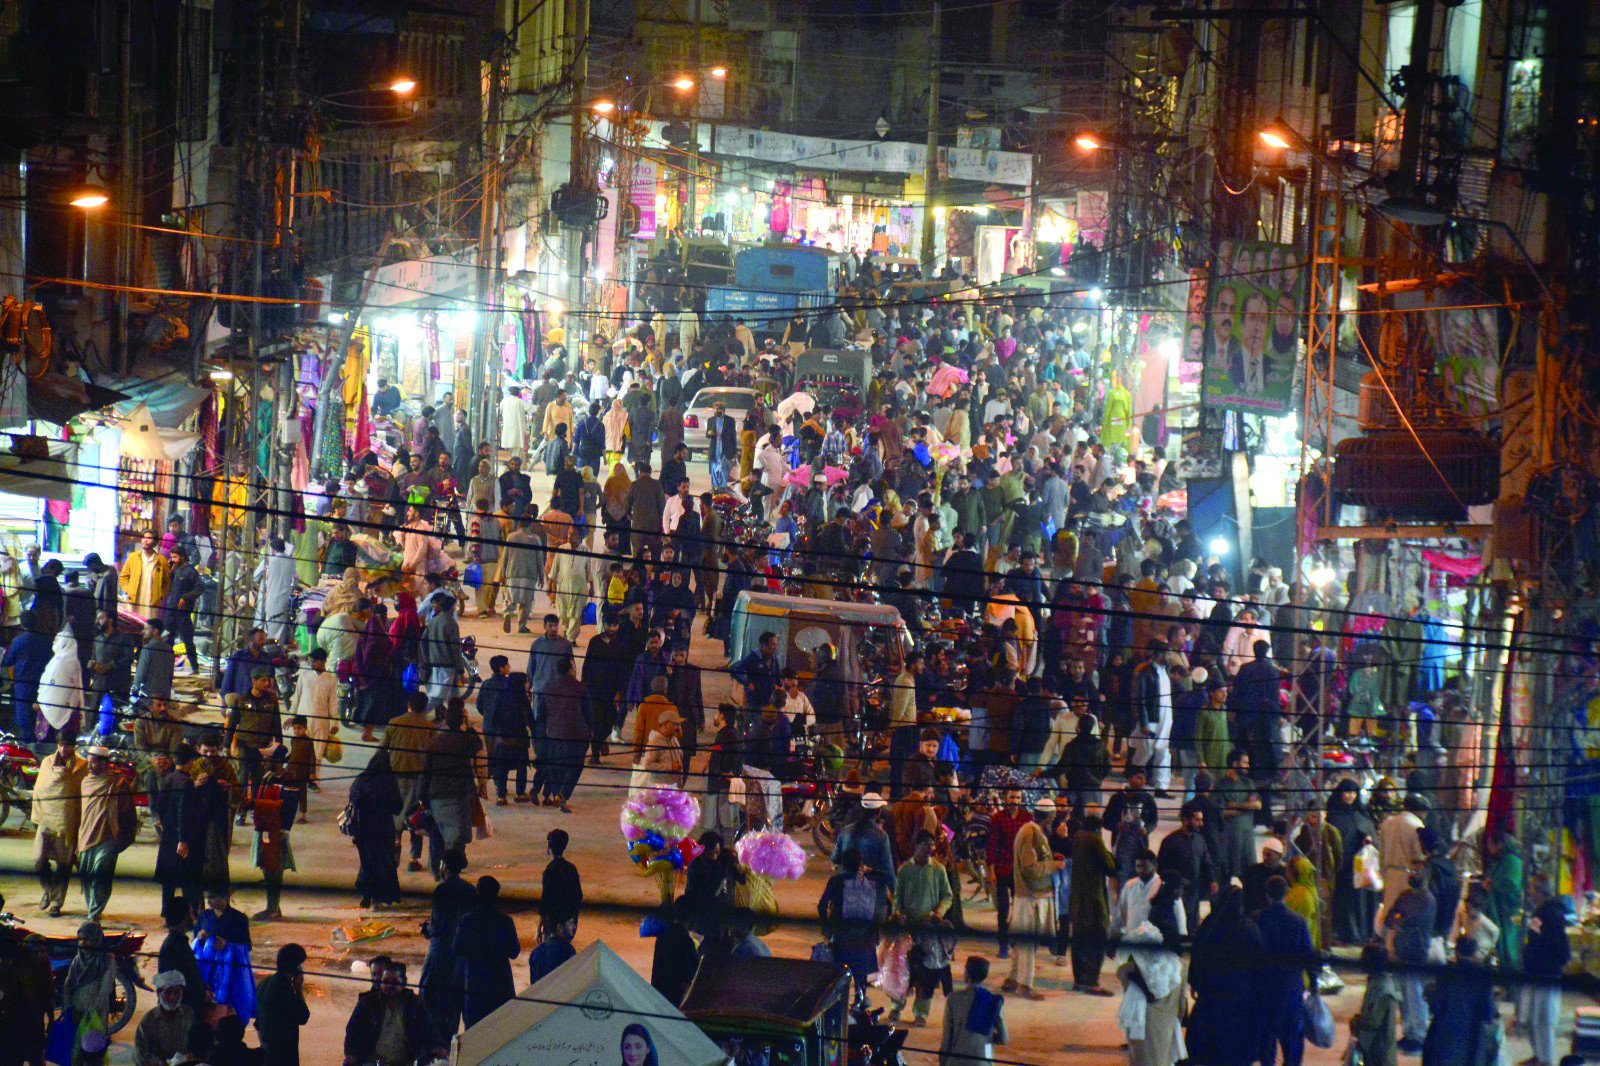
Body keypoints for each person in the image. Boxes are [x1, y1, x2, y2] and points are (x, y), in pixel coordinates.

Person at [1186, 885, 1263, 1065]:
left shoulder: (1211, 924)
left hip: (1212, 990)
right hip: (1239, 994)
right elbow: (1259, 961)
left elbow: (1198, 953)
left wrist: (1194, 982)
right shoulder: (1248, 928)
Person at [893, 828, 955, 1024]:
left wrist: (939, 913)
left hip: (929, 929)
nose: (930, 850)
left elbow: (947, 896)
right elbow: (897, 898)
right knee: (903, 971)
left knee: (927, 974)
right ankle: (896, 1008)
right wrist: (898, 914)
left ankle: (921, 1013)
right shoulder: (904, 870)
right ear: (916, 846)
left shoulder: (938, 870)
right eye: (926, 846)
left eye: (932, 846)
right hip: (908, 929)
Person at [1005, 796, 1063, 1002]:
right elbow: (1030, 868)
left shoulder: (1033, 831)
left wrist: (1050, 859)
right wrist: (1054, 866)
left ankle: (1013, 979)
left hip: (1032, 896)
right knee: (1028, 943)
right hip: (1030, 897)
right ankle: (1025, 985)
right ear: (1048, 817)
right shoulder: (1030, 832)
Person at [1255, 875, 1317, 1066]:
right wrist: (1313, 982)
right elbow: (1308, 954)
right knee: (1292, 1039)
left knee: (1267, 1039)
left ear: (1267, 895)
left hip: (1265, 989)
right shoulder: (1298, 922)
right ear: (1286, 894)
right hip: (1291, 988)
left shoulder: (1259, 920)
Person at [818, 846, 891, 1006]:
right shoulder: (875, 883)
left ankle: (839, 1004)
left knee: (839, 975)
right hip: (866, 940)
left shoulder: (837, 881)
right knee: (862, 976)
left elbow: (822, 905)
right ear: (861, 864)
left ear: (843, 865)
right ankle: (861, 1001)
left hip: (842, 938)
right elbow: (886, 907)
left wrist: (826, 929)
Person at [420, 847, 477, 1041]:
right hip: (461, 956)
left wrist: (427, 930)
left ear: (444, 866)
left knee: (430, 1000)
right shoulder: (470, 890)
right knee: (454, 1003)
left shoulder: (442, 890)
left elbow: (437, 927)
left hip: (441, 952)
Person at [342, 961, 442, 1066]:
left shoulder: (416, 1005)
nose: (389, 986)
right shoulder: (367, 1003)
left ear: (404, 982)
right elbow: (352, 1032)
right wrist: (351, 1055)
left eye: (395, 982)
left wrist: (437, 1048)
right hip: (372, 1062)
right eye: (386, 981)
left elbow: (431, 1033)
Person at [453, 876, 521, 1028]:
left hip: (475, 985)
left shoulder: (466, 921)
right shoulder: (505, 921)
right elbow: (514, 952)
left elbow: (456, 949)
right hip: (500, 986)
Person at [1116, 922, 1186, 1066]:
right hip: (1166, 1029)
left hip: (1141, 1030)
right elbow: (1181, 1007)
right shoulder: (1181, 967)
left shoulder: (1127, 970)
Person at [31, 729, 84, 915]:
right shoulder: (46, 763)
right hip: (46, 819)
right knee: (39, 861)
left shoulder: (81, 767)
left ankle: (56, 904)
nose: (63, 748)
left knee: (64, 865)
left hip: (67, 822)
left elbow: (81, 796)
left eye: (67, 745)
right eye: (60, 744)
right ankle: (49, 890)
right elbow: (40, 790)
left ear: (73, 746)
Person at [77, 745, 131, 921]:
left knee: (101, 871)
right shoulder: (85, 782)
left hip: (109, 835)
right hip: (86, 834)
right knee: (86, 873)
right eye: (89, 762)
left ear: (104, 763)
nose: (90, 765)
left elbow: (128, 810)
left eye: (94, 762)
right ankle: (92, 906)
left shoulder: (118, 783)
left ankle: (94, 912)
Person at [1524, 873, 1570, 1066]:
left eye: (1533, 889)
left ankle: (1546, 1059)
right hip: (1538, 972)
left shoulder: (1549, 914)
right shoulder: (1544, 912)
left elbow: (1558, 946)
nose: (1529, 892)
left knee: (1544, 1020)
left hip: (1547, 973)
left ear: (1541, 892)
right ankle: (1539, 1056)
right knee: (1534, 1018)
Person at [348, 750, 403, 908]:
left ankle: (366, 893)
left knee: (367, 861)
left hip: (362, 827)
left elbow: (353, 798)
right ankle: (378, 897)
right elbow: (397, 806)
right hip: (382, 827)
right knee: (382, 862)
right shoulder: (388, 780)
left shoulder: (362, 778)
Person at [985, 789, 1032, 959]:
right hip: (1002, 868)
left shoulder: (1027, 818)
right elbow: (991, 846)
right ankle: (1003, 944)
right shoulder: (998, 819)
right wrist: (991, 871)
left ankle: (1015, 939)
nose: (1015, 800)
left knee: (1020, 908)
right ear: (1006, 798)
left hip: (1020, 870)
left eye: (1018, 797)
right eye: (1012, 797)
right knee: (1003, 909)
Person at [939, 956, 1008, 1066]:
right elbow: (1004, 1038)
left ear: (967, 974)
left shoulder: (954, 999)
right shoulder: (993, 1001)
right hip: (983, 1060)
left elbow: (947, 1038)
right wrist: (986, 1037)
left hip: (957, 1060)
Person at [1348, 943, 1401, 1066]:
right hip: (1376, 1047)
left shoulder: (1383, 988)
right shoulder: (1378, 982)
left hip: (1379, 1050)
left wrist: (1357, 1022)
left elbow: (1373, 1021)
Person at [135, 971, 196, 1066]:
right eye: (168, 992)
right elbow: (141, 1054)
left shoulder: (188, 1014)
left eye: (177, 992)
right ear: (159, 993)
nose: (172, 997)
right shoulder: (149, 1020)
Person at [528, 915, 579, 983]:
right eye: (570, 923)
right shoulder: (569, 950)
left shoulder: (535, 952)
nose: (574, 926)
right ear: (559, 927)